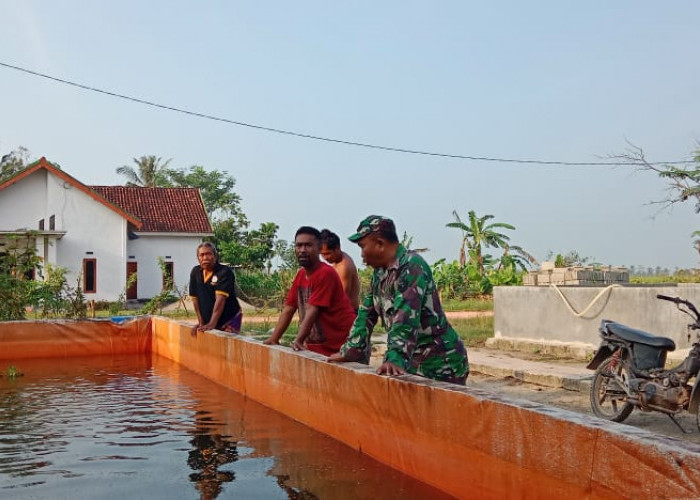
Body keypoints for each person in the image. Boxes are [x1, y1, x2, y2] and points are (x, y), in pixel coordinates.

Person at [328, 215, 469, 385]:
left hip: (440, 363)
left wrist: (394, 358)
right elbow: (366, 314)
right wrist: (351, 349)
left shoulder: (411, 267)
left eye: (363, 247)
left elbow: (404, 318)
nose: (361, 254)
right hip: (412, 361)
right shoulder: (379, 273)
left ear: (380, 244)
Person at [263, 226, 356, 356]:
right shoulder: (301, 275)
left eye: (308, 245)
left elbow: (313, 309)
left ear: (319, 249)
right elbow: (289, 308)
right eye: (299, 246)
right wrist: (274, 338)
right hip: (319, 345)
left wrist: (299, 340)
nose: (302, 250)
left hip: (341, 345)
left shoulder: (326, 273)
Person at [189, 242, 242, 335]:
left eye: (208, 254)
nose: (205, 257)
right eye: (202, 255)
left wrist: (212, 323)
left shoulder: (224, 272)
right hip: (211, 320)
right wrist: (201, 322)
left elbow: (220, 300)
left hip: (230, 320)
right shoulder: (195, 272)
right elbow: (195, 300)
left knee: (227, 345)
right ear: (198, 258)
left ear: (215, 256)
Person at [320, 228, 361, 310]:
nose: (325, 258)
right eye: (322, 254)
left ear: (337, 248)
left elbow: (341, 298)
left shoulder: (343, 266)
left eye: (328, 253)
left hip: (347, 314)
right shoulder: (335, 262)